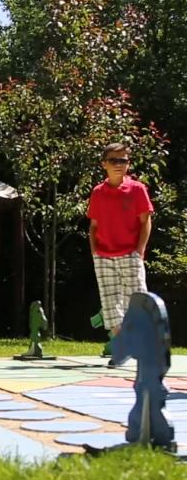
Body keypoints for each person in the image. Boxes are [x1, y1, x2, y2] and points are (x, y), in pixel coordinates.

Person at [87, 142, 153, 344]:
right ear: (103, 164)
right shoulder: (98, 192)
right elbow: (94, 225)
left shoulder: (137, 189)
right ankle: (120, 345)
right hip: (103, 256)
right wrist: (94, 252)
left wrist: (139, 251)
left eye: (123, 160)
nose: (119, 164)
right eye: (114, 160)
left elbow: (145, 221)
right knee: (110, 303)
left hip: (130, 254)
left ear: (128, 164)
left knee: (137, 298)